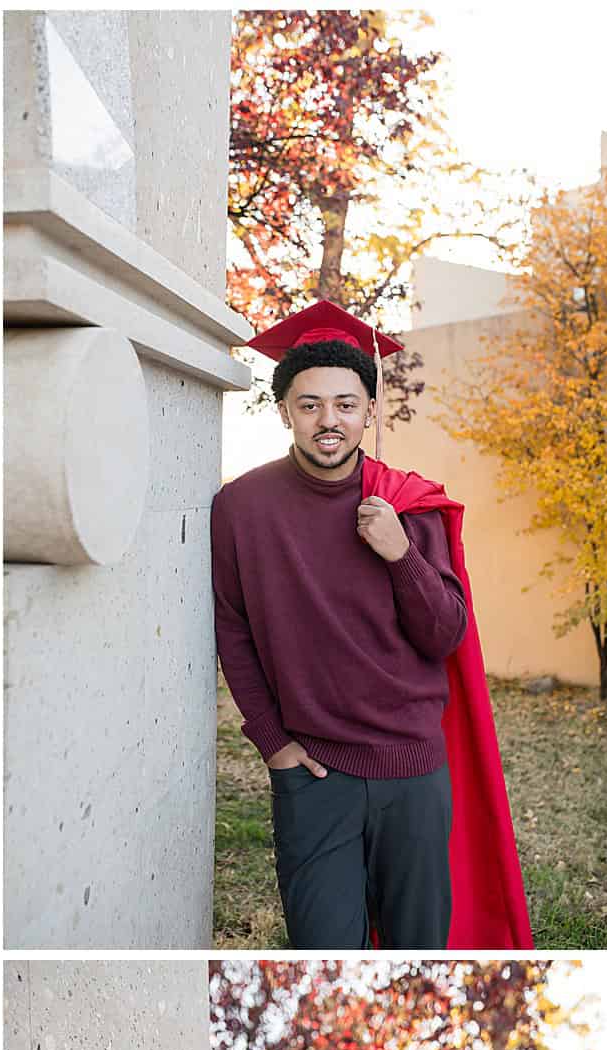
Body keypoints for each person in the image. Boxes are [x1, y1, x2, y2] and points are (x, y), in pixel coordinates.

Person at [213, 299, 531, 951]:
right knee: (322, 949)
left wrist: (400, 554)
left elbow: (445, 635)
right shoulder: (240, 507)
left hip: (412, 772)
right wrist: (272, 742)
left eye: (345, 403)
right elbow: (232, 628)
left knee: (418, 954)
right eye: (309, 404)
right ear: (284, 413)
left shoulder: (408, 505)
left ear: (369, 411)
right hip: (312, 774)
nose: (328, 420)